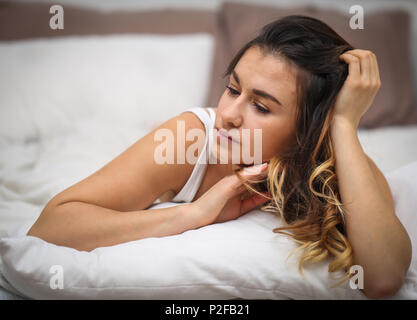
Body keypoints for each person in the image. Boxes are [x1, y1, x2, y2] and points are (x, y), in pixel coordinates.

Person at [27, 15, 411, 299]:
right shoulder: (193, 138)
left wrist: (343, 124)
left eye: (260, 106)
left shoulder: (335, 158)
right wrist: (190, 215)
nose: (228, 114)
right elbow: (50, 227)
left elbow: (382, 278)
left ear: (310, 131)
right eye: (232, 88)